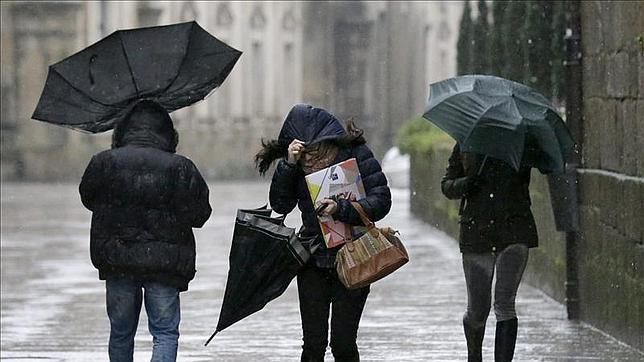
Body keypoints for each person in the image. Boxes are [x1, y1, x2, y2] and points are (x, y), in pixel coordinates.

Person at [255, 104, 391, 362]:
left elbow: (382, 200)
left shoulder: (355, 154)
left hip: (354, 257)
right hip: (313, 260)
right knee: (313, 344)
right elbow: (280, 205)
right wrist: (289, 165)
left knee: (343, 343)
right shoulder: (296, 166)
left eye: (314, 150)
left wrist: (342, 209)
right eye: (304, 152)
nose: (310, 158)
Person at [79, 100, 212, 362]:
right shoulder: (181, 167)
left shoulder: (104, 162)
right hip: (165, 263)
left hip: (118, 259)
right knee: (164, 332)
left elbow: (88, 198)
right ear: (167, 132)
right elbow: (200, 215)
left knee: (120, 332)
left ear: (123, 130)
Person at [440, 144, 538, 362]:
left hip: (514, 230)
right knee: (478, 310)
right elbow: (447, 186)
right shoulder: (468, 141)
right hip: (477, 233)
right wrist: (466, 183)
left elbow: (543, 166)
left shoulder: (521, 141)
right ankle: (474, 356)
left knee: (505, 304)